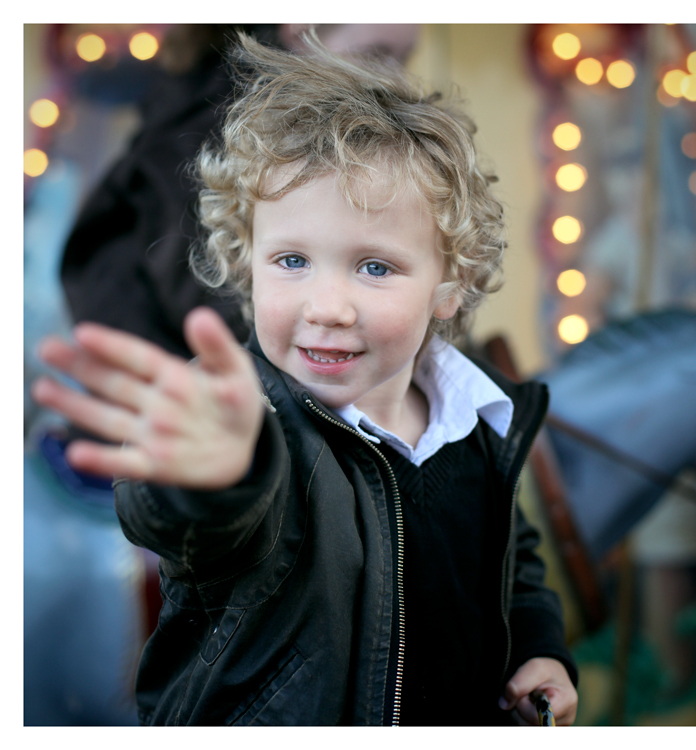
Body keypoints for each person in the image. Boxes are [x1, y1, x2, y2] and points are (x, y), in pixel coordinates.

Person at [32, 33, 578, 726]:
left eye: (375, 267)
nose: (327, 307)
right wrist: (221, 470)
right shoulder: (255, 427)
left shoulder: (470, 422)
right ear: (245, 260)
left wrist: (540, 651)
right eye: (291, 261)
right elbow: (198, 520)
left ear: (450, 285)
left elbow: (512, 561)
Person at [60, 24, 421, 360]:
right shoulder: (213, 133)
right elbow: (218, 305)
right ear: (299, 29)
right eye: (376, 56)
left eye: (404, 60)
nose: (392, 80)